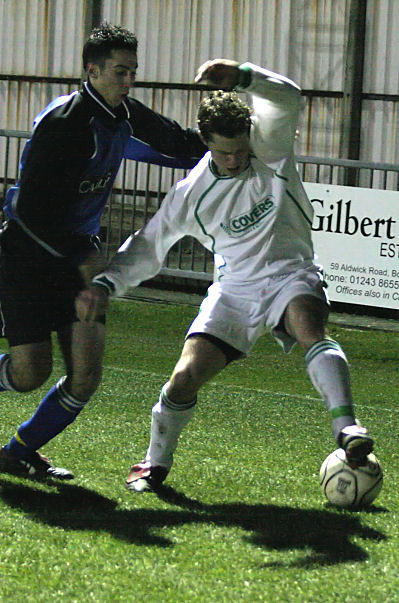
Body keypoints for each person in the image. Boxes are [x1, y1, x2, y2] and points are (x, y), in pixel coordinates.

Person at [77, 59, 375, 492]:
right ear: (205, 143)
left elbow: (288, 96)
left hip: (291, 271)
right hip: (234, 289)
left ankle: (347, 429)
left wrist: (242, 76)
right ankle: (154, 464)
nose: (235, 160)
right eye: (224, 152)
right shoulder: (191, 194)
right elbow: (148, 245)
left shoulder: (269, 149)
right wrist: (107, 283)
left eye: (240, 149)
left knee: (310, 324)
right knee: (183, 380)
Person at [0, 23, 206, 480]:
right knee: (29, 372)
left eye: (132, 71)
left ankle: (16, 453)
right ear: (92, 70)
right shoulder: (63, 125)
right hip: (29, 256)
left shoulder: (124, 114)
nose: (128, 80)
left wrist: (230, 142)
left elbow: (176, 143)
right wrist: (83, 263)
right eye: (119, 71)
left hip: (77, 258)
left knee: (86, 376)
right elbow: (33, 213)